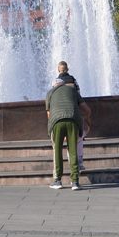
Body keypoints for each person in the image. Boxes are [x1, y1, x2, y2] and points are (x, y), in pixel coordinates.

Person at [46, 61, 85, 191]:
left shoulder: (50, 92)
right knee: (72, 151)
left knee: (57, 151)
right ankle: (75, 182)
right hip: (73, 120)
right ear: (67, 68)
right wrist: (87, 123)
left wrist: (51, 128)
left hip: (57, 121)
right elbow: (84, 106)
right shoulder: (73, 85)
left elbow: (49, 114)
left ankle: (57, 181)